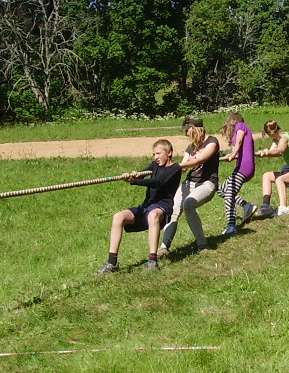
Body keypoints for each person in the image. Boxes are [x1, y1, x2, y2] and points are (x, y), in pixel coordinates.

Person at [96, 139, 181, 274]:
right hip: (147, 206)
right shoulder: (154, 165)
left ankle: (152, 260)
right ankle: (112, 262)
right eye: (154, 154)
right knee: (118, 217)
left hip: (163, 207)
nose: (155, 157)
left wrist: (135, 181)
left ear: (169, 153)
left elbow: (157, 182)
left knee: (153, 215)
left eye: (158, 153)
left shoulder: (175, 169)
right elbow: (142, 175)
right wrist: (131, 176)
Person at [157, 117, 219, 257]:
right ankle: (164, 247)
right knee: (172, 210)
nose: (185, 134)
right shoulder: (190, 148)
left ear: (195, 128)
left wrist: (178, 166)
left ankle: (202, 244)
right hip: (189, 183)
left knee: (189, 204)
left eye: (187, 130)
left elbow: (201, 159)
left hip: (207, 183)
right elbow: (184, 168)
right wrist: (167, 169)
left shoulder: (212, 142)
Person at [253, 119, 289, 216]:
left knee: (280, 179)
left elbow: (279, 151)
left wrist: (267, 152)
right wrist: (263, 152)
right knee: (267, 176)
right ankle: (266, 207)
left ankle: (283, 208)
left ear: (271, 132)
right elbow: (272, 150)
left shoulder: (285, 139)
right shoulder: (276, 140)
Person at [219, 112, 257, 235]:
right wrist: (231, 155)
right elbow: (241, 147)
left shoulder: (241, 126)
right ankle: (246, 206)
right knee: (221, 190)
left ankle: (231, 226)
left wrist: (233, 154)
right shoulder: (237, 133)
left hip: (244, 167)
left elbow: (239, 142)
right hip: (240, 166)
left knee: (229, 195)